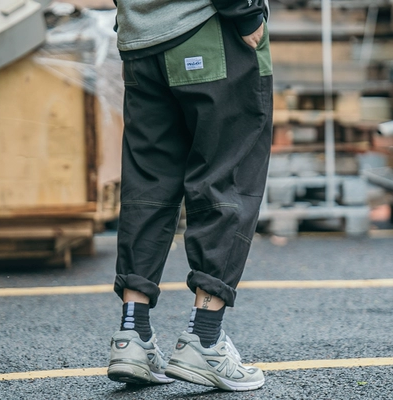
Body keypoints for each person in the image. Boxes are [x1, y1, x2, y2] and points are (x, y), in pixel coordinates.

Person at [107, 0, 273, 392]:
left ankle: (132, 336)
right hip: (209, 29)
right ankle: (204, 339)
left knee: (148, 183)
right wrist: (246, 11)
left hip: (141, 39)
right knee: (226, 178)